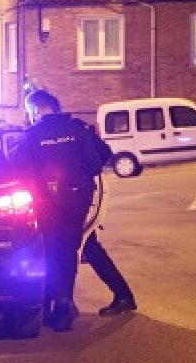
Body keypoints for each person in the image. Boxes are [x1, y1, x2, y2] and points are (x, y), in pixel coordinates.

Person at [9, 89, 107, 332]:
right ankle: (65, 306)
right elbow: (95, 165)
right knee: (68, 249)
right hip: (77, 199)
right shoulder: (76, 129)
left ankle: (52, 305)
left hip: (47, 202)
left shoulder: (31, 136)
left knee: (50, 251)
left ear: (35, 110)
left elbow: (19, 171)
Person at [80, 125, 138, 316]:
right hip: (82, 198)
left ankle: (123, 296)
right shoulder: (76, 130)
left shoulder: (69, 131)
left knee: (86, 247)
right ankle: (123, 296)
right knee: (89, 249)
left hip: (82, 200)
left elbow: (104, 156)